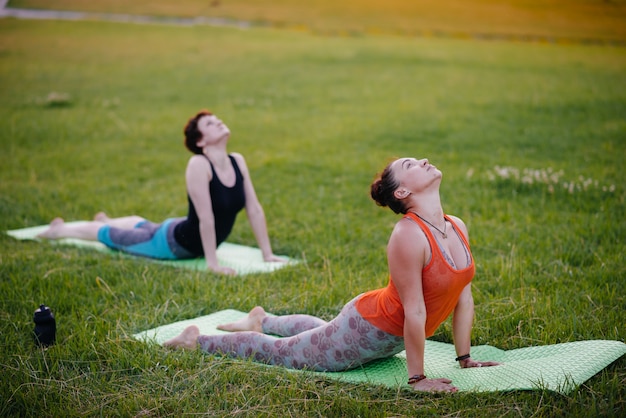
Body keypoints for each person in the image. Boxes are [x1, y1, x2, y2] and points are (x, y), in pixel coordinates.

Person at [164, 157, 499, 392]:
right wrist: (417, 379)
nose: (423, 160)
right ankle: (198, 341)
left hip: (383, 333)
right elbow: (414, 310)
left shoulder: (457, 226)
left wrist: (465, 358)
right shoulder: (408, 235)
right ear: (401, 193)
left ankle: (262, 320)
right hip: (367, 330)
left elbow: (463, 296)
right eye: (410, 165)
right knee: (287, 354)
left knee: (321, 334)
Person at [37, 110, 285, 275]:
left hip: (180, 229)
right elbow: (206, 218)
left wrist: (268, 253)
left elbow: (254, 209)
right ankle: (61, 230)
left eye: (217, 119)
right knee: (109, 235)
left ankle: (108, 219)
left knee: (142, 224)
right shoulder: (198, 165)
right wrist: (213, 264)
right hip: (173, 243)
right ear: (200, 142)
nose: (218, 121)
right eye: (210, 123)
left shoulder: (237, 160)